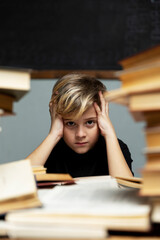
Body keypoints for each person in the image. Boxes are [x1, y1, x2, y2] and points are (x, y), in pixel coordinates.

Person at [27, 73, 133, 178]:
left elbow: (126, 189)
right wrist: (53, 135)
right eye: (71, 123)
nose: (80, 134)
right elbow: (18, 183)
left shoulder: (115, 146)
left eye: (90, 122)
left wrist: (110, 133)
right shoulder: (50, 151)